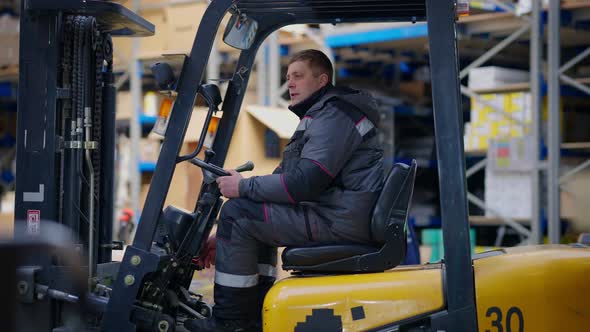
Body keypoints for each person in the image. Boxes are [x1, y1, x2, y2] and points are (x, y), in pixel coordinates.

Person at [185, 49, 384, 332]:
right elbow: (287, 180)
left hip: (339, 219)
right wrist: (225, 237)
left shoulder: (335, 116)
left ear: (322, 80)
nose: (290, 83)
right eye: (288, 77)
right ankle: (252, 314)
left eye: (299, 76)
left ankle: (231, 322)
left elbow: (304, 182)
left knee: (237, 213)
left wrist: (242, 187)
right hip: (337, 214)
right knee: (247, 214)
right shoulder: (321, 115)